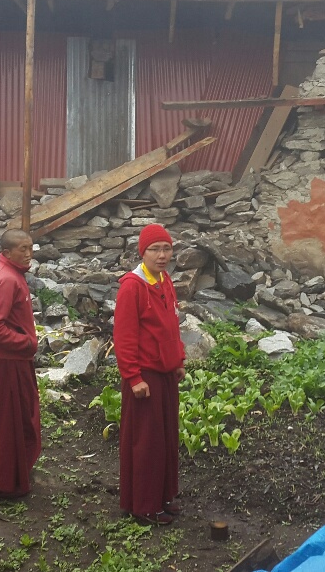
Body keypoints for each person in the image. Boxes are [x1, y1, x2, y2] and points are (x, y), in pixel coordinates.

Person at [113, 223, 187, 525]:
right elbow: (125, 335)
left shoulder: (164, 280)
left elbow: (171, 323)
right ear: (142, 252)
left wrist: (179, 357)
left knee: (165, 439)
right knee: (146, 443)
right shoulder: (133, 286)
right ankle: (143, 506)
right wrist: (133, 377)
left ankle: (161, 497)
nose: (162, 255)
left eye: (166, 248)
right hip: (146, 377)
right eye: (155, 249)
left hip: (167, 373)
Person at [0, 229, 42, 499]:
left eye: (30, 248)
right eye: (22, 250)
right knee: (9, 422)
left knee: (12, 419)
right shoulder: (7, 279)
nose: (28, 254)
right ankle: (6, 482)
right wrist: (25, 343)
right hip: (7, 360)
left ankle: (13, 475)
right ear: (6, 253)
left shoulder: (6, 271)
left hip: (9, 359)